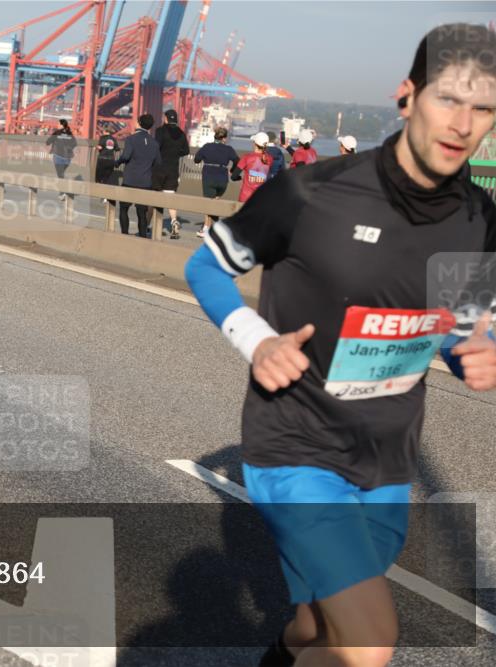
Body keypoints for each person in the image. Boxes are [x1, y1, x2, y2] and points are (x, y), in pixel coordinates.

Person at [185, 23, 496, 667]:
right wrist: (259, 341)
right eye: (448, 98)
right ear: (407, 96)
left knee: (313, 625)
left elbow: (454, 324)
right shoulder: (312, 191)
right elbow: (207, 266)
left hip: (386, 458)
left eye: (484, 107)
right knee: (368, 641)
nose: (463, 122)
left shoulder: (480, 220)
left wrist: (474, 349)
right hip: (294, 446)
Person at [115, 114, 161, 238]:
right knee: (142, 213)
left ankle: (124, 235)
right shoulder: (154, 143)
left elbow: (126, 156)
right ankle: (142, 237)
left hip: (130, 180)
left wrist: (117, 162)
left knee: (124, 208)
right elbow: (158, 163)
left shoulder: (131, 139)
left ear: (139, 123)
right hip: (146, 183)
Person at [192, 126, 238, 238]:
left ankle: (206, 228)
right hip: (222, 179)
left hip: (209, 176)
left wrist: (204, 158)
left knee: (209, 203)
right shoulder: (229, 149)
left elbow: (196, 159)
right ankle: (215, 229)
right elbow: (237, 160)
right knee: (216, 201)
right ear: (224, 138)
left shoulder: (207, 147)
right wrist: (232, 170)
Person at [154, 108, 190, 239]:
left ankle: (148, 226)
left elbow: (156, 147)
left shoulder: (160, 131)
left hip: (159, 169)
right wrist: (175, 154)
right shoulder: (181, 133)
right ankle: (174, 221)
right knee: (170, 197)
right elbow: (186, 151)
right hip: (173, 170)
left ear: (166, 118)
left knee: (153, 197)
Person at [234, 132, 274, 203]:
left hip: (245, 198)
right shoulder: (270, 159)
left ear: (255, 144)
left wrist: (239, 177)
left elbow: (233, 177)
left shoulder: (247, 157)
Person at [46, 118, 77, 196]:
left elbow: (48, 142)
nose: (57, 125)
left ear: (61, 125)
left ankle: (62, 192)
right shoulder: (69, 133)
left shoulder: (57, 133)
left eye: (58, 124)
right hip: (67, 158)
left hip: (58, 156)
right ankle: (63, 191)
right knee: (61, 174)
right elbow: (75, 143)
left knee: (60, 175)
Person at [94, 125, 120, 201]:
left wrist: (96, 147)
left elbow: (100, 147)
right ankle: (105, 196)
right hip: (111, 160)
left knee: (99, 177)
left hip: (102, 159)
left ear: (105, 131)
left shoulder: (102, 138)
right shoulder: (114, 139)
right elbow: (117, 149)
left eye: (103, 131)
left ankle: (101, 194)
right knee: (107, 178)